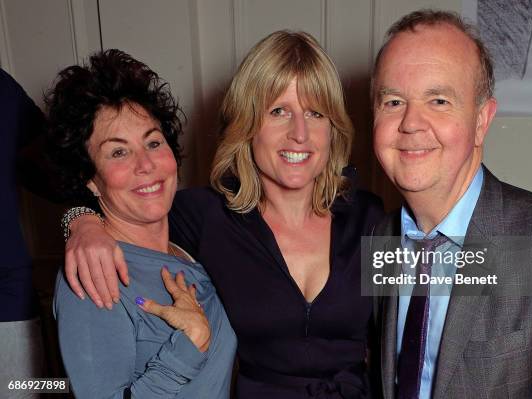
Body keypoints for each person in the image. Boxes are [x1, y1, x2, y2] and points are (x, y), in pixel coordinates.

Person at [61, 31, 384, 398]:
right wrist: (81, 222)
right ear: (247, 125)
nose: (300, 133)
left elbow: (425, 324)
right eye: (278, 111)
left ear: (333, 128)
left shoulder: (370, 219)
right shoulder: (205, 216)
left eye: (315, 112)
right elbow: (120, 193)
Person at [369, 9, 532, 399]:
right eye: (394, 101)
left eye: (439, 100)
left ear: (482, 120)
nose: (411, 123)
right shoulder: (382, 236)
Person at [48, 49, 236, 398]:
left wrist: (78, 218)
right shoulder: (94, 274)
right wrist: (188, 346)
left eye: (153, 142)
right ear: (89, 178)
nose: (146, 164)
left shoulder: (197, 225)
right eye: (118, 151)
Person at [0, 68, 49, 397]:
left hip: (7, 297)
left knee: (33, 389)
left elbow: (61, 173)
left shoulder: (2, 90)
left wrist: (82, 216)